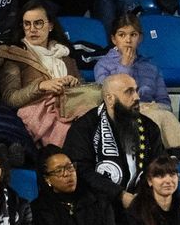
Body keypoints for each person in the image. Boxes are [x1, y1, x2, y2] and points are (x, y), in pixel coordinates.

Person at [0, 2, 99, 147]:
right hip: (38, 116)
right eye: (27, 24)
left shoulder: (65, 55)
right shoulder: (14, 56)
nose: (32, 29)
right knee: (77, 133)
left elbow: (80, 91)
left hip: (71, 110)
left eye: (38, 23)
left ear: (50, 26)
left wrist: (71, 84)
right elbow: (10, 99)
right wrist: (41, 86)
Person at [63, 73, 165, 211]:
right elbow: (80, 170)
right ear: (109, 99)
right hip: (98, 205)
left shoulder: (149, 127)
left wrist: (143, 196)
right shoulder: (84, 127)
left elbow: (159, 164)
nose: (137, 97)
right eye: (129, 92)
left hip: (142, 201)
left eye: (136, 90)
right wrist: (119, 195)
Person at [93, 14, 180, 150]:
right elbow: (107, 99)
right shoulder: (103, 65)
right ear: (114, 39)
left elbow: (165, 103)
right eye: (122, 35)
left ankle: (179, 157)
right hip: (118, 115)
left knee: (164, 115)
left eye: (133, 35)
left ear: (140, 38)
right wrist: (125, 66)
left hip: (151, 111)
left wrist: (152, 106)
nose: (128, 40)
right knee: (152, 118)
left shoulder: (151, 67)